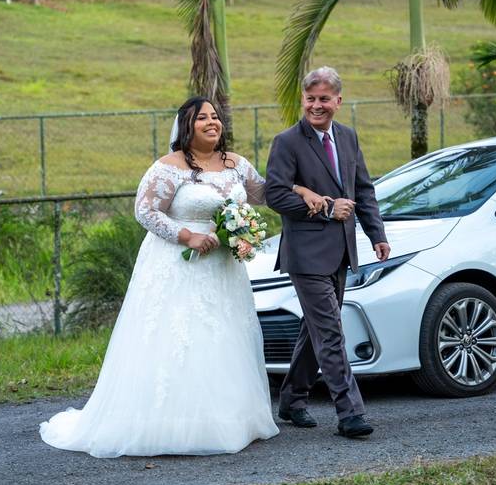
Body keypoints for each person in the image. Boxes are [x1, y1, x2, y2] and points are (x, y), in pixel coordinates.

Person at [39, 96, 322, 457]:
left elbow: (266, 193)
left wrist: (299, 189)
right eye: (202, 118)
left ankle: (228, 419)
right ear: (186, 126)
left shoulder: (236, 164)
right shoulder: (169, 167)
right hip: (179, 266)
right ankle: (170, 423)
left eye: (215, 117)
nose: (211, 123)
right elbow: (144, 211)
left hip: (223, 269)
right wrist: (187, 236)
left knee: (223, 337)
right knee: (182, 337)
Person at [265, 66, 391, 439]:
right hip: (305, 254)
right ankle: (350, 412)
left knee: (315, 330)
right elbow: (275, 195)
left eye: (323, 99)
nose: (316, 106)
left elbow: (363, 190)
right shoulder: (287, 142)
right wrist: (323, 206)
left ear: (338, 100)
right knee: (331, 332)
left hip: (342, 252)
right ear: (303, 100)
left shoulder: (349, 138)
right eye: (310, 99)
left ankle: (291, 399)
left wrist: (375, 234)